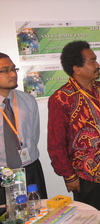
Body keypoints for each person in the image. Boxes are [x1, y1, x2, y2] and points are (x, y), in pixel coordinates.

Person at [47, 41, 100, 224]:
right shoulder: (61, 98)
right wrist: (68, 175)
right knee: (91, 219)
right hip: (86, 173)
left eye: (96, 60)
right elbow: (56, 142)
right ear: (77, 68)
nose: (97, 65)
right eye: (92, 61)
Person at [0, 52, 47, 205]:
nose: (12, 74)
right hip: (2, 173)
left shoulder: (27, 100)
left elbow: (34, 135)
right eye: (5, 70)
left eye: (14, 69)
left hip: (30, 169)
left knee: (37, 215)